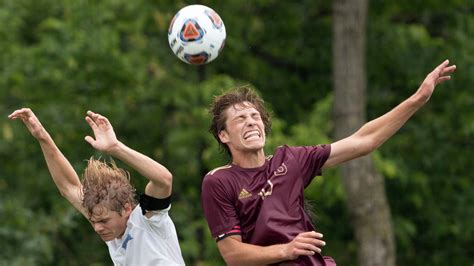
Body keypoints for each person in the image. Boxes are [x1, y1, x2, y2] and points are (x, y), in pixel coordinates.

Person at [201, 60, 456, 265]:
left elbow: (364, 141)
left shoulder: (290, 160)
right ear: (224, 135)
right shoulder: (219, 181)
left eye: (255, 116)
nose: (251, 122)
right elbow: (233, 255)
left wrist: (418, 98)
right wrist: (286, 250)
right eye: (240, 118)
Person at [8, 108, 185, 266]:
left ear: (126, 209)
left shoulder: (148, 220)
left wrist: (115, 148)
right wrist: (42, 137)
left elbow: (164, 180)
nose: (97, 228)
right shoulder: (111, 229)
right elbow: (68, 187)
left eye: (103, 221)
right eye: (94, 221)